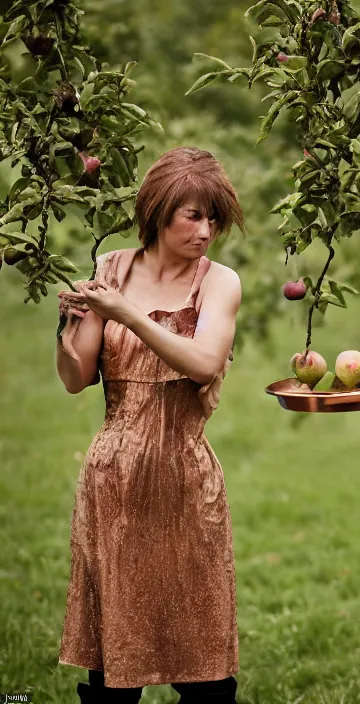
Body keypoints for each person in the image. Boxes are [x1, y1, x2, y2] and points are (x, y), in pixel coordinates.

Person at [55, 147, 245, 703]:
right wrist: (70, 327)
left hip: (186, 480)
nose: (206, 231)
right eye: (194, 215)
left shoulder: (219, 282)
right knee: (114, 672)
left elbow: (204, 362)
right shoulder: (112, 269)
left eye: (214, 218)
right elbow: (75, 378)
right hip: (114, 480)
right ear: (159, 212)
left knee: (205, 672)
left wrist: (126, 315)